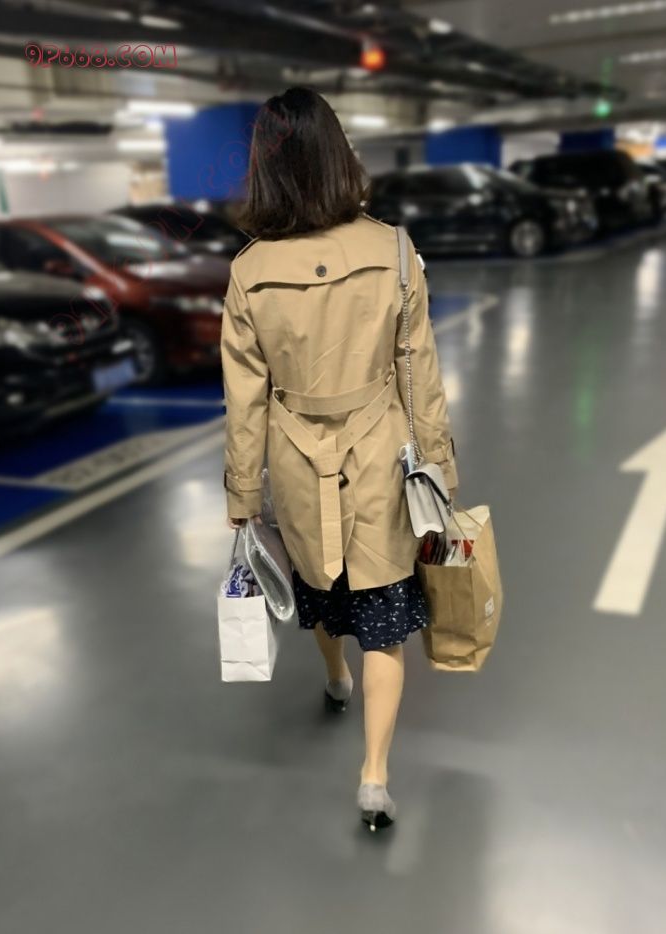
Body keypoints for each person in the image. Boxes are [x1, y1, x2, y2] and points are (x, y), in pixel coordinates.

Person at [221, 86, 458, 832]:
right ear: (338, 155)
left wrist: (241, 496)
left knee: (319, 581)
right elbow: (419, 372)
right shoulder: (394, 249)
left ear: (265, 167)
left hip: (295, 457)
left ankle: (333, 678)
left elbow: (244, 399)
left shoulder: (250, 271)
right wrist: (439, 467)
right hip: (381, 450)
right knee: (385, 615)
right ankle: (374, 778)